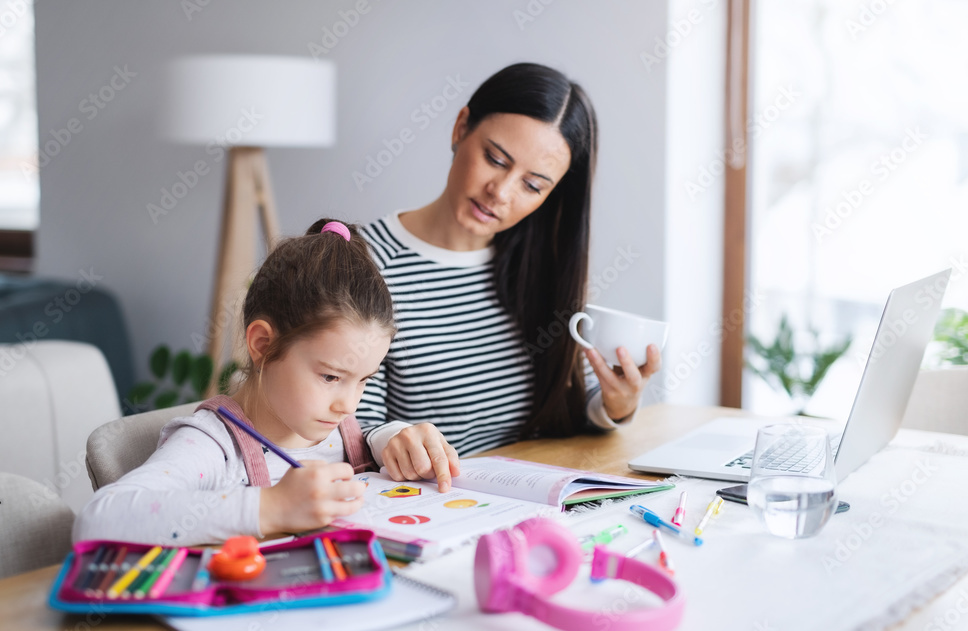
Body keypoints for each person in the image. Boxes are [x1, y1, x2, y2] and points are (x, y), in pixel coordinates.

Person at [357, 63, 662, 483]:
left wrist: (619, 402)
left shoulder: (542, 263)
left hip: (532, 495)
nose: (500, 193)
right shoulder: (364, 262)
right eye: (495, 159)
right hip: (434, 501)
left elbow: (580, 399)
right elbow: (352, 423)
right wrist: (393, 436)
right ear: (460, 127)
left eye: (532, 186)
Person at [73, 219, 457, 546]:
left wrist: (390, 437)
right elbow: (97, 522)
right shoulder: (214, 447)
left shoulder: (340, 432)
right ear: (262, 344)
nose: (349, 405)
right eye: (330, 377)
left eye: (363, 380)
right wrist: (271, 507)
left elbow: (363, 438)